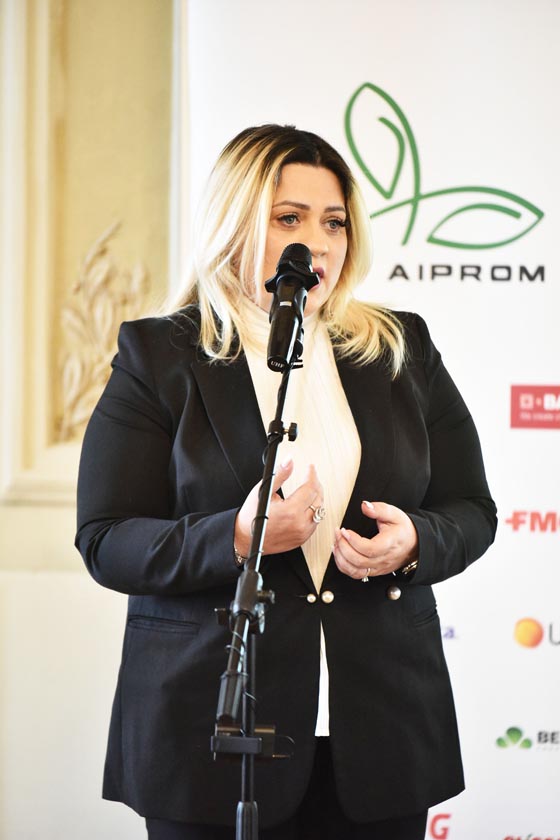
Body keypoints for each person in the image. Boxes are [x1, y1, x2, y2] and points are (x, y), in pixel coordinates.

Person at [76, 124, 497, 840]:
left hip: (383, 731)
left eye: (334, 222)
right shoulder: (159, 356)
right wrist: (236, 537)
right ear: (234, 223)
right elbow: (106, 538)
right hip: (209, 731)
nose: (318, 244)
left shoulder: (401, 347)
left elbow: (472, 509)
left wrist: (415, 542)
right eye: (289, 219)